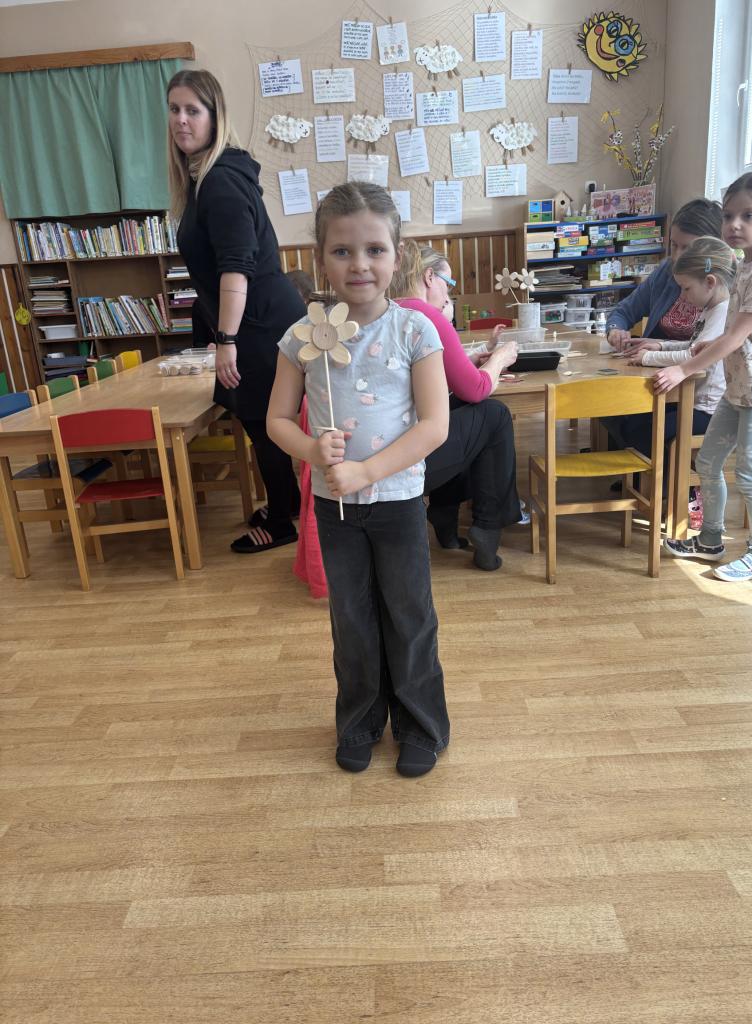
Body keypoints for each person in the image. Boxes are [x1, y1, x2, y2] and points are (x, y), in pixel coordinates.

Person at [267, 183, 450, 777]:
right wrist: (312, 451)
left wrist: (368, 470)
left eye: (375, 249)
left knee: (409, 616)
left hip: (397, 501)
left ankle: (421, 724)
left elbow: (435, 425)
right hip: (336, 508)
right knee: (352, 620)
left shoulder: (415, 330)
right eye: (342, 251)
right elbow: (276, 420)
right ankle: (360, 722)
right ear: (321, 257)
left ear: (398, 255)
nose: (359, 265)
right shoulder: (301, 337)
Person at [167, 69, 305, 554]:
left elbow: (235, 269)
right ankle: (286, 504)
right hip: (256, 321)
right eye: (174, 109)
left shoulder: (221, 181)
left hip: (259, 325)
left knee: (265, 424)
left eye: (193, 110)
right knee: (260, 422)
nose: (181, 120)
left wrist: (225, 339)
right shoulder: (209, 177)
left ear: (215, 116)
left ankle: (283, 522)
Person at [656, 171, 752, 582]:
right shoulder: (744, 267)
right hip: (736, 390)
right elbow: (734, 334)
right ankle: (710, 539)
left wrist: (684, 367)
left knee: (749, 475)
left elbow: (737, 336)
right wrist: (705, 346)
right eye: (728, 215)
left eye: (748, 215)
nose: (734, 225)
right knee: (707, 462)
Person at [393, 241, 525, 570]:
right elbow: (477, 389)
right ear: (429, 277)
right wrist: (499, 359)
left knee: (457, 408)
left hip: (391, 449)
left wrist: (470, 361)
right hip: (408, 462)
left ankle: (445, 514)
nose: (448, 294)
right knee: (494, 415)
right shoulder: (428, 316)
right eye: (449, 283)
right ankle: (488, 526)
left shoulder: (393, 309)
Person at [618, 236, 736, 525]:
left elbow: (695, 357)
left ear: (710, 283)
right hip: (695, 402)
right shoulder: (710, 308)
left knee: (646, 430)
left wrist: (649, 357)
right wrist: (658, 344)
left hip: (708, 410)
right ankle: (661, 488)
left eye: (686, 288)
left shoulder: (723, 312)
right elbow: (694, 347)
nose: (682, 297)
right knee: (635, 421)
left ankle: (681, 493)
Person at [607, 198, 723, 350]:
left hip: (690, 363)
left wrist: (661, 346)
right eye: (674, 245)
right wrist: (615, 330)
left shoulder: (728, 289)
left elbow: (707, 349)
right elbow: (623, 312)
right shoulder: (665, 271)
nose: (677, 256)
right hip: (650, 360)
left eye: (688, 248)